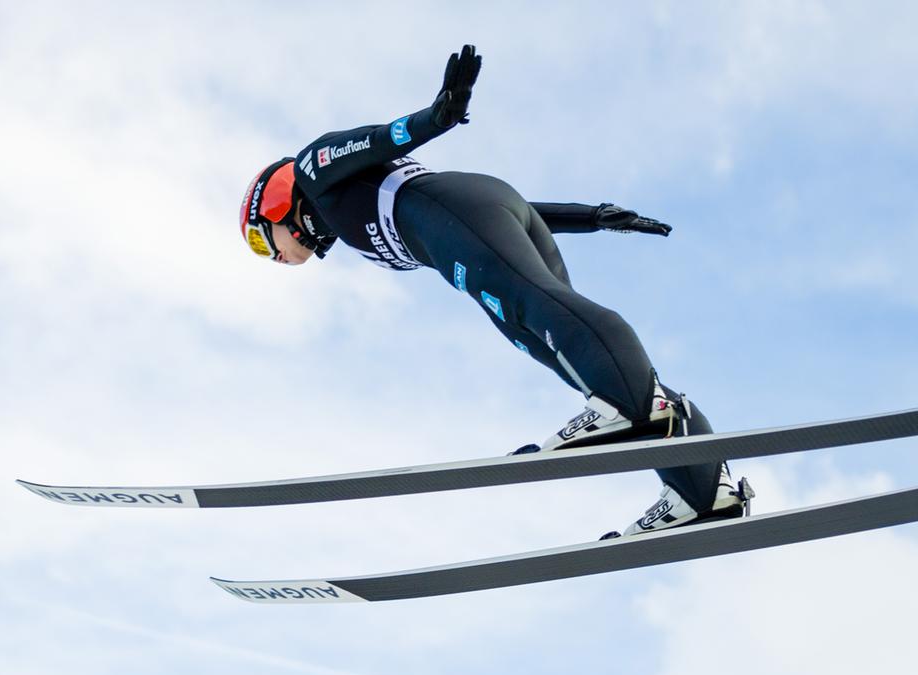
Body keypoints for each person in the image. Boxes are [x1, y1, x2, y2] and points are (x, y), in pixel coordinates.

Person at [239, 46, 745, 535]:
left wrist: (436, 118)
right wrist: (591, 217)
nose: (277, 257)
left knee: (543, 312)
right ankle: (702, 492)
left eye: (264, 241)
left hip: (460, 217)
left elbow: (377, 140)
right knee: (561, 345)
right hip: (489, 212)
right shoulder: (341, 211)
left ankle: (630, 408)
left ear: (275, 201)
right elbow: (499, 212)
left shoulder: (312, 168)